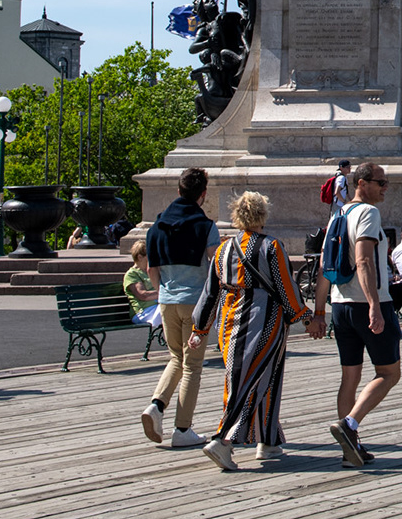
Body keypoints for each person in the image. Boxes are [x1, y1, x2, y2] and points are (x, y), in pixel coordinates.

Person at [189, 191, 310, 471]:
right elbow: (286, 287)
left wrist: (199, 328)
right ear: (263, 214)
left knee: (248, 379)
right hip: (264, 321)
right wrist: (305, 317)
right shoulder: (272, 247)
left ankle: (268, 441)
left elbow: (210, 292)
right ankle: (223, 440)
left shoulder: (223, 249)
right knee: (254, 380)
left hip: (229, 323)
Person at [310, 161, 400, 469]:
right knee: (389, 373)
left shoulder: (338, 214)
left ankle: (351, 447)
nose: (385, 188)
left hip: (340, 304)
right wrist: (375, 304)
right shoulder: (368, 213)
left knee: (350, 375)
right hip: (367, 303)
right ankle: (349, 424)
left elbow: (325, 265)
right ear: (361, 183)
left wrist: (319, 311)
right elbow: (364, 261)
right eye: (381, 182)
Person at [140, 168, 220, 448]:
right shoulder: (206, 226)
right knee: (193, 366)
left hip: (167, 300)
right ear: (203, 195)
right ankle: (182, 429)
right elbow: (215, 264)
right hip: (195, 302)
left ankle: (156, 405)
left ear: (178, 191)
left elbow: (151, 268)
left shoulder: (157, 226)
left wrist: (162, 289)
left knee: (175, 357)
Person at [123, 242, 161, 327]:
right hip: (143, 312)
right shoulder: (132, 274)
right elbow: (143, 295)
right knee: (170, 309)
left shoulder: (152, 271)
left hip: (157, 308)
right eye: (150, 255)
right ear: (140, 257)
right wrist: (166, 293)